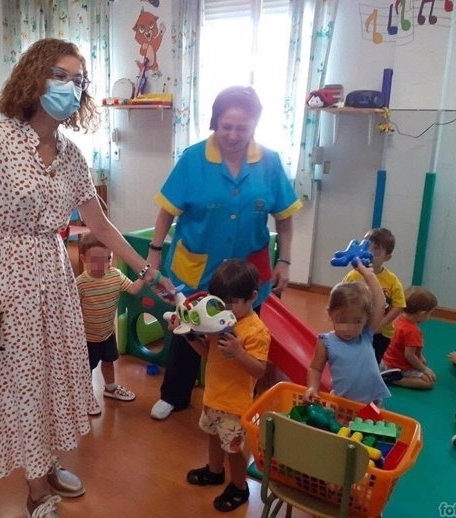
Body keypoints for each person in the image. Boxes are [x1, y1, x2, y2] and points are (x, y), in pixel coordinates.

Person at [0, 38, 173, 518]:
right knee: (21, 380)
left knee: (54, 374)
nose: (69, 87)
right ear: (34, 77)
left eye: (77, 80)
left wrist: (147, 268)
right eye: (60, 75)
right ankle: (36, 488)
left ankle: (48, 461)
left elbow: (99, 225)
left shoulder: (73, 153)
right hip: (2, 275)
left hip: (54, 276)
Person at [147, 85, 302, 420]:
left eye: (242, 128)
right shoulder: (193, 158)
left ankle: (242, 401)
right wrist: (154, 254)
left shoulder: (270, 162)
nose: (233, 134)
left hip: (250, 270)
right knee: (187, 329)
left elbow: (285, 220)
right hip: (197, 268)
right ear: (215, 122)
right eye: (226, 126)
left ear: (254, 125)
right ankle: (175, 394)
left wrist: (285, 262)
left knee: (245, 336)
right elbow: (166, 212)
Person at [182, 260, 270, 513]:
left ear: (252, 297)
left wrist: (239, 353)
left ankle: (240, 487)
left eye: (231, 302)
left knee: (232, 447)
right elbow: (208, 355)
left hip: (235, 404)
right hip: (213, 396)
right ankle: (214, 471)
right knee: (212, 435)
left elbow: (259, 370)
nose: (224, 308)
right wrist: (188, 335)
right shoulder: (218, 322)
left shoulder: (256, 331)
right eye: (219, 302)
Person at [305, 259, 391, 405]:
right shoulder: (326, 342)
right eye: (342, 320)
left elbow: (381, 303)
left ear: (366, 319)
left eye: (356, 321)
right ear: (330, 313)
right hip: (342, 403)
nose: (349, 328)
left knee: (368, 428)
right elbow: (315, 369)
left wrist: (367, 274)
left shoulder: (365, 334)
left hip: (372, 404)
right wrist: (312, 387)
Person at [76, 232, 144, 415]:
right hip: (87, 338)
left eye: (107, 259)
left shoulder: (115, 275)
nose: (102, 264)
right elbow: (72, 311)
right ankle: (85, 396)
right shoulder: (80, 284)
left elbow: (134, 288)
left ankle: (111, 388)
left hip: (107, 333)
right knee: (86, 369)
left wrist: (146, 276)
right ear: (83, 258)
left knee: (108, 361)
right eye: (96, 259)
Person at [341, 228, 406, 363]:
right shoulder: (353, 275)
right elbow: (341, 297)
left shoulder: (392, 280)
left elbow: (399, 305)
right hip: (355, 327)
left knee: (372, 361)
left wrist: (383, 323)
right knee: (352, 357)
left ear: (387, 257)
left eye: (376, 249)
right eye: (366, 246)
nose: (369, 252)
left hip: (381, 333)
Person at [380, 286, 438, 390]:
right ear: (422, 313)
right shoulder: (413, 331)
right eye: (430, 313)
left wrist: (420, 358)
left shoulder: (397, 318)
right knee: (428, 382)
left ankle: (386, 373)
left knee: (423, 362)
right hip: (398, 366)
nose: (429, 317)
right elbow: (409, 355)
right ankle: (394, 379)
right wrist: (424, 369)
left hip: (386, 361)